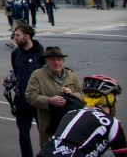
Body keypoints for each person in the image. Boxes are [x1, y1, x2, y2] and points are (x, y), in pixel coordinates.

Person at [37, 74, 126, 156]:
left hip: (45, 152)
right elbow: (122, 153)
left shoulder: (70, 113)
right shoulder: (112, 123)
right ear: (111, 100)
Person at [26, 46, 85, 148]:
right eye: (52, 59)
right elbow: (31, 96)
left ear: (63, 61)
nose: (56, 62)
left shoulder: (71, 75)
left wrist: (72, 94)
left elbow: (84, 95)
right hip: (49, 126)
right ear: (47, 62)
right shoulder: (37, 75)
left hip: (70, 127)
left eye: (59, 59)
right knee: (50, 151)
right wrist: (49, 101)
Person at [11, 23, 46, 157]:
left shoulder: (40, 53)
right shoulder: (15, 53)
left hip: (38, 101)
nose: (15, 37)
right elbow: (16, 72)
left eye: (17, 35)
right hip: (21, 101)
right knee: (23, 135)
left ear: (27, 36)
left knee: (44, 135)